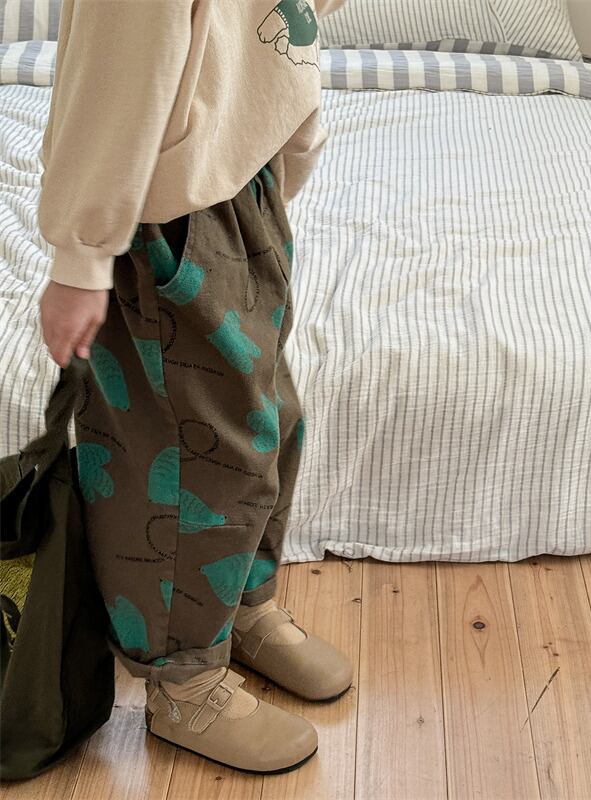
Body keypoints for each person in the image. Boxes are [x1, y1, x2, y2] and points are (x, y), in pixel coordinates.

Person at [36, 0, 350, 774]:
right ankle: (183, 681)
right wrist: (83, 255)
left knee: (270, 419)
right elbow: (116, 68)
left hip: (241, 175)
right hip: (166, 205)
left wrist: (288, 141)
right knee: (193, 457)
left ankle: (237, 607)